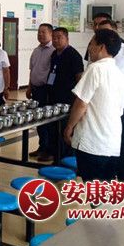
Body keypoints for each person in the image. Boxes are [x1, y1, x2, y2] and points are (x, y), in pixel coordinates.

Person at [64, 29, 124, 182]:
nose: (89, 48)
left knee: (92, 187)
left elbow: (81, 103)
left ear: (101, 47)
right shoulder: (121, 75)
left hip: (92, 143)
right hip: (112, 144)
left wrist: (69, 127)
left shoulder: (95, 68)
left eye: (91, 44)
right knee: (105, 188)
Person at [96, 19, 124, 181]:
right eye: (100, 32)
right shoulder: (96, 50)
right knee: (107, 141)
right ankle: (108, 176)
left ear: (116, 32)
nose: (104, 35)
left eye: (107, 31)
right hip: (104, 107)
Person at [45, 27, 84, 161]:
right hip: (54, 97)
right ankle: (55, 155)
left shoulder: (74, 55)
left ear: (67, 38)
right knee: (53, 127)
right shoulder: (54, 54)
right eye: (54, 38)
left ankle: (67, 158)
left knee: (65, 129)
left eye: (59, 37)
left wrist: (77, 98)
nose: (56, 40)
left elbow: (79, 78)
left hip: (68, 99)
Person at [25, 23, 55, 159]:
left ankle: (49, 150)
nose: (40, 34)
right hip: (36, 90)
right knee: (38, 120)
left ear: (51, 34)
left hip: (46, 91)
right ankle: (42, 146)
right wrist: (29, 87)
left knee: (47, 121)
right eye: (39, 32)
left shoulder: (53, 51)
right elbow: (32, 70)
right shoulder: (36, 50)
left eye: (43, 32)